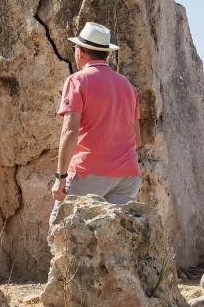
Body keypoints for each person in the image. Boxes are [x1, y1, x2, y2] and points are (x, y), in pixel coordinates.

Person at [51, 21, 141, 220]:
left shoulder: (77, 81)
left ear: (80, 52)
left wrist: (60, 178)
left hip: (88, 172)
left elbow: (70, 132)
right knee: (111, 238)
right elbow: (138, 137)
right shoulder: (128, 86)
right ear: (106, 53)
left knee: (62, 228)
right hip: (128, 176)